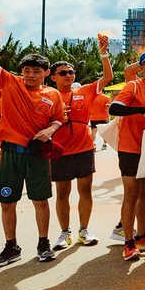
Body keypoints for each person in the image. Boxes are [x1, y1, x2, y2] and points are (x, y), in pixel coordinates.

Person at [0, 13, 65, 267]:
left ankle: (43, 243)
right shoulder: (10, 83)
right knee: (7, 201)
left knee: (40, 200)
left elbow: (57, 119)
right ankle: (11, 246)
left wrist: (50, 131)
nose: (31, 75)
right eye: (27, 70)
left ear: (46, 73)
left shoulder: (53, 94)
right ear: (21, 71)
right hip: (10, 152)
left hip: (37, 153)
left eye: (37, 71)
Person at [47, 34, 113, 250]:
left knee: (86, 190)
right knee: (62, 193)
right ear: (53, 77)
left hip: (84, 147)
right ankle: (64, 233)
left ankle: (84, 230)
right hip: (59, 151)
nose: (68, 75)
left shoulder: (84, 91)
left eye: (71, 72)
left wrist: (103, 53)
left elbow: (107, 78)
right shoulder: (47, 95)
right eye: (63, 73)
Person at [110, 51, 145, 260]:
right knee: (131, 195)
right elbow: (114, 108)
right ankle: (128, 242)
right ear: (140, 68)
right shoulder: (133, 85)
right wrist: (140, 110)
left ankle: (142, 235)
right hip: (130, 147)